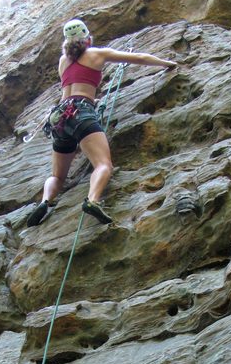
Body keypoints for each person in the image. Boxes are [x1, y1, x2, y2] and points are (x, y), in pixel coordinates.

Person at [27, 18, 177, 227]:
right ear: (87, 38)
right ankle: (93, 201)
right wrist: (167, 63)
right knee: (103, 164)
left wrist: (89, 99)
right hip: (81, 111)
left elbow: (71, 90)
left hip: (59, 117)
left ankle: (45, 201)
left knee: (57, 176)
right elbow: (140, 58)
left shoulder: (63, 62)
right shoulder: (97, 54)